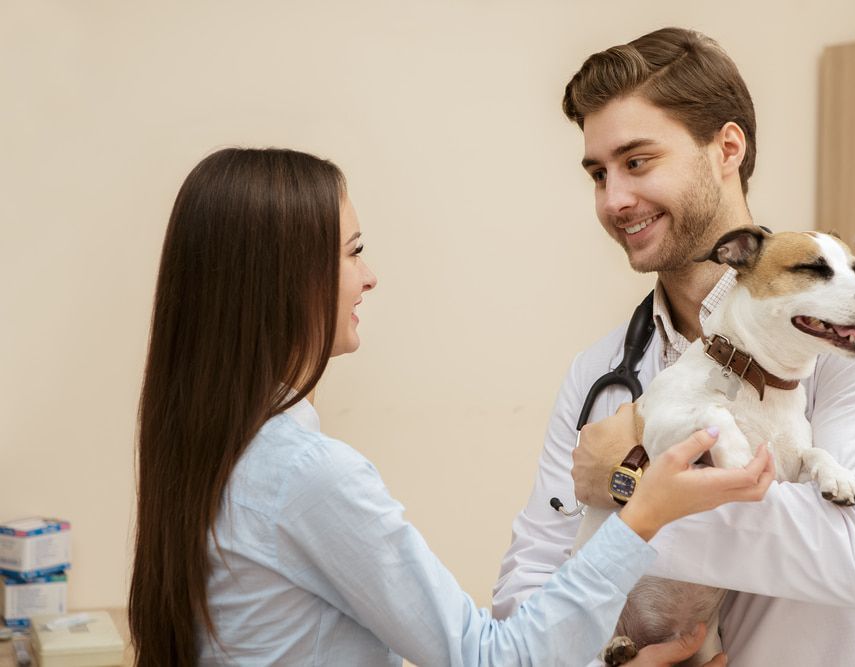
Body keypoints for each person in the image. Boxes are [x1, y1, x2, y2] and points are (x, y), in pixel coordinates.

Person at [127, 147, 774, 667]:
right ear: (283, 278)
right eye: (353, 253)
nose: (370, 275)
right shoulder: (306, 474)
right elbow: (487, 657)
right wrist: (643, 514)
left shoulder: (213, 449)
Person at [491, 27, 855, 666]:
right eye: (599, 173)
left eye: (638, 161)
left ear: (726, 148)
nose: (615, 199)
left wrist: (632, 487)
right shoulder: (599, 375)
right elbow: (529, 587)